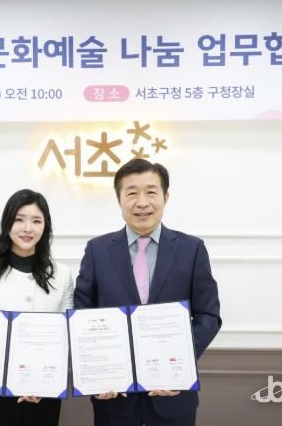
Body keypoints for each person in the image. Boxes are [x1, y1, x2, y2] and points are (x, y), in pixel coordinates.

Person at [74, 158, 221, 426]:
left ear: (166, 197)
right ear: (119, 199)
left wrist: (179, 364)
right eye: (132, 193)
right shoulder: (97, 250)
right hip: (114, 395)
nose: (142, 202)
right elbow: (82, 315)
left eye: (151, 192)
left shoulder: (192, 249)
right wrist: (97, 370)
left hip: (173, 394)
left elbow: (208, 315)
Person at [0, 188, 74, 426]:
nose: (27, 228)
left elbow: (65, 338)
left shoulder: (62, 274)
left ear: (46, 227)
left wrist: (48, 383)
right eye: (19, 219)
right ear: (7, 223)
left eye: (36, 221)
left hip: (41, 395)